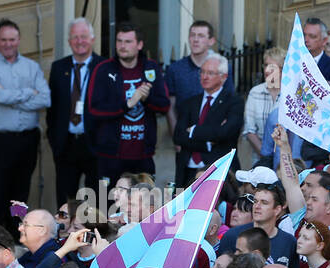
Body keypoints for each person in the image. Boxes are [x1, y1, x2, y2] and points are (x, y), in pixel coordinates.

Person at [0, 20, 51, 229]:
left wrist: (13, 98)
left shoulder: (32, 67)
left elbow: (45, 99)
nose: (8, 44)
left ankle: (16, 233)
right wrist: (30, 93)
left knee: (20, 193)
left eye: (12, 39)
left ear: (19, 40)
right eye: (3, 39)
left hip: (27, 140)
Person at [85, 23, 170, 181]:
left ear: (139, 45)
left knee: (145, 203)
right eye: (119, 41)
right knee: (108, 204)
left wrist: (146, 99)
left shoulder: (150, 68)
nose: (122, 46)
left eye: (128, 42)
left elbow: (164, 105)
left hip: (143, 156)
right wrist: (127, 105)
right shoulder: (103, 69)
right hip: (110, 157)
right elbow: (94, 109)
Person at [47, 18, 103, 206]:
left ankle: (95, 234)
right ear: (69, 41)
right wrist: (55, 142)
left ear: (92, 39)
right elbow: (52, 109)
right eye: (75, 37)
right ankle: (65, 234)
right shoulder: (58, 68)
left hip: (95, 144)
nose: (80, 41)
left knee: (96, 200)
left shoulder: (104, 67)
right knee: (64, 200)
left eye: (84, 37)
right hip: (66, 144)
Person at [172, 53, 244, 186]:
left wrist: (193, 130)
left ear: (223, 77)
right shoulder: (190, 102)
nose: (204, 77)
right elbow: (178, 136)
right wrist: (207, 143)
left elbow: (225, 133)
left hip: (216, 170)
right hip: (187, 170)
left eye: (210, 73)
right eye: (202, 72)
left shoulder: (234, 102)